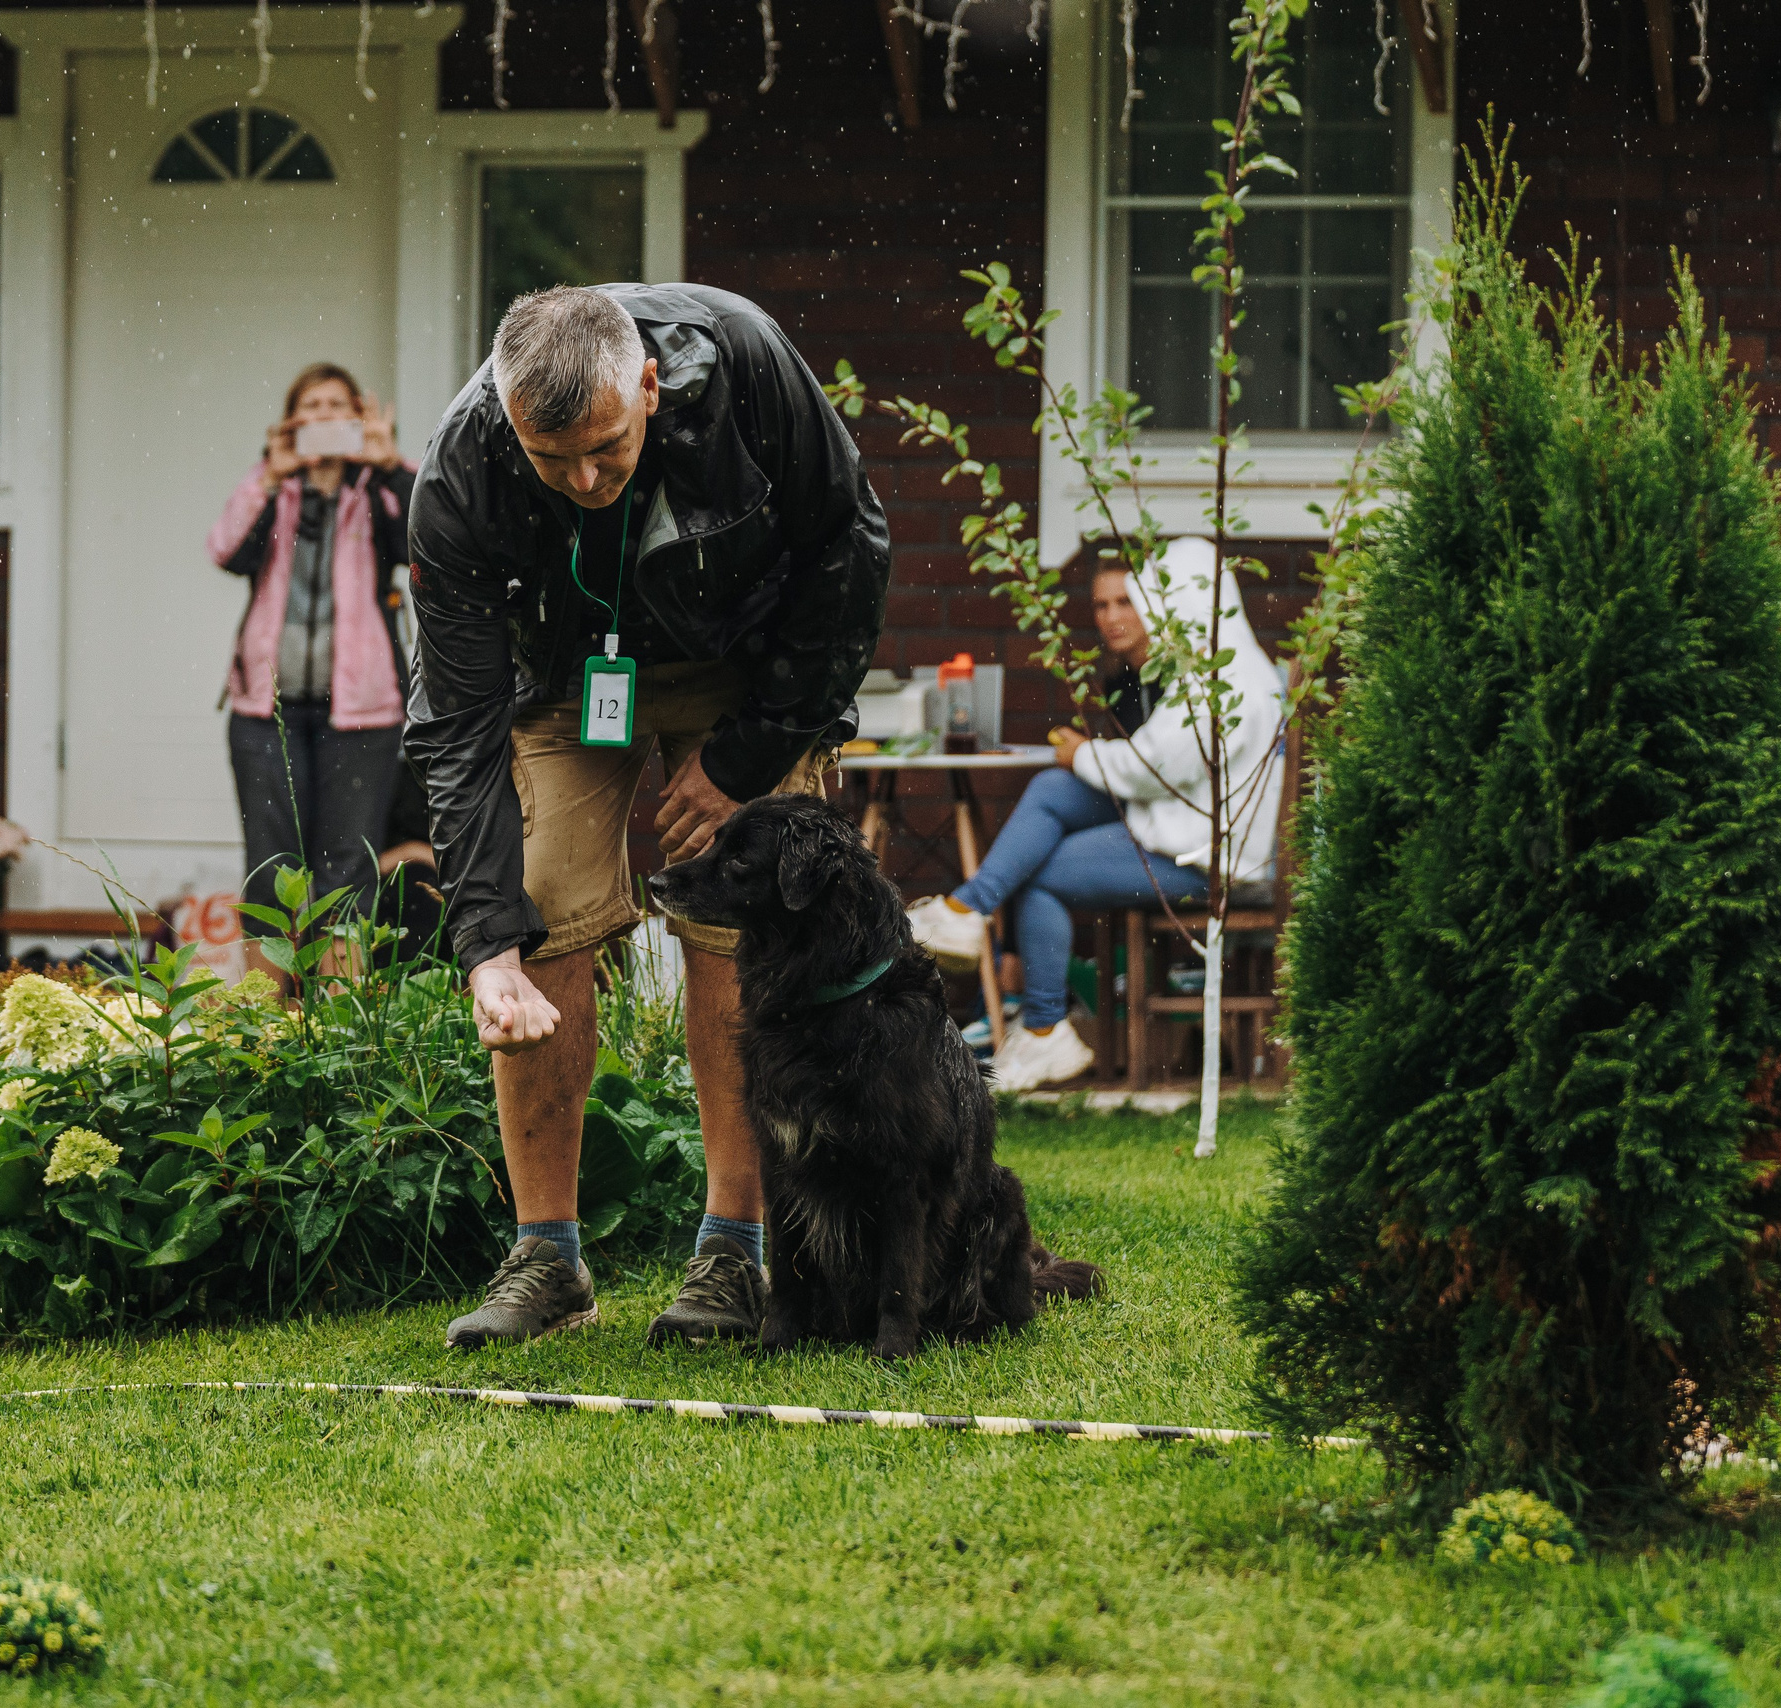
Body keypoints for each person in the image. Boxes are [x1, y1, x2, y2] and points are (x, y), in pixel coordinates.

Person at [408, 283, 890, 1350]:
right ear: (507, 417)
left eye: (607, 449)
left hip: (746, 666)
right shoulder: (459, 471)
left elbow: (847, 551)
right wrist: (487, 945)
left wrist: (745, 757)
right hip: (565, 671)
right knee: (539, 910)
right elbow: (457, 723)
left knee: (737, 920)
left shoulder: (747, 363)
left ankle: (734, 1251)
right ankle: (547, 1257)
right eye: (553, 459)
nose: (584, 482)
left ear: (652, 387)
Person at [905, 538, 1284, 1092]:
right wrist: (1082, 759)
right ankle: (970, 912)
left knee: (1042, 874)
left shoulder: (1222, 684)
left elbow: (1150, 767)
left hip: (1204, 857)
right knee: (1054, 788)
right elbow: (1157, 762)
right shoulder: (1226, 667)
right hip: (1185, 828)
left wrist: (1083, 752)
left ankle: (1042, 1027)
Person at [209, 363, 412, 963]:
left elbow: (428, 542)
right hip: (265, 710)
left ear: (359, 418)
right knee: (269, 870)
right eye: (312, 406)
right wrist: (271, 475)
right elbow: (225, 549)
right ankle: (267, 1012)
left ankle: (342, 1015)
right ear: (291, 422)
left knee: (348, 872)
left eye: (337, 406)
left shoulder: (379, 488)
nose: (324, 416)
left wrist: (389, 464)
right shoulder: (274, 488)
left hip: (362, 712)